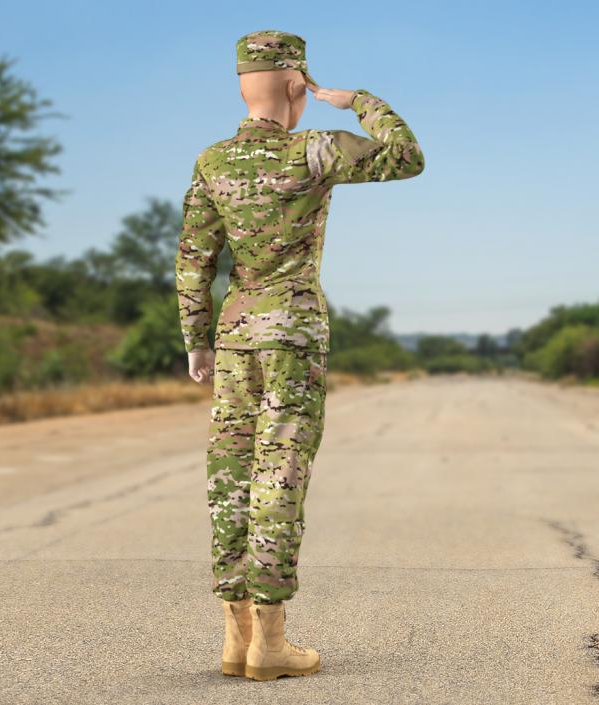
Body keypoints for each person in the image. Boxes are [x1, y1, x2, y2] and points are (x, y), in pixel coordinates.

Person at [175, 29, 424, 681]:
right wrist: (359, 101)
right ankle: (270, 642)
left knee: (228, 475)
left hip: (232, 337)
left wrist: (196, 340)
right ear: (296, 86)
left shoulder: (211, 162)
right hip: (291, 330)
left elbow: (193, 260)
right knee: (277, 475)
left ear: (240, 84)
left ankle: (234, 637)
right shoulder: (312, 150)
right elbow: (406, 156)